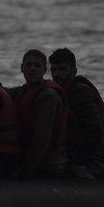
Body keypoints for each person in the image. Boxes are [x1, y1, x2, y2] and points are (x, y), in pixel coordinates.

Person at [49, 48, 104, 180]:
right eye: (53, 70)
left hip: (92, 158)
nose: (56, 74)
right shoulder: (59, 92)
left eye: (62, 69)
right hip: (75, 153)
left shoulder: (79, 92)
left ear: (74, 71)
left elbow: (94, 130)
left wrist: (78, 163)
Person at [7, 50, 67, 178]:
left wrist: (26, 169)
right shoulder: (23, 91)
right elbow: (2, 91)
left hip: (49, 164)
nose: (32, 69)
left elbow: (42, 138)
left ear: (44, 70)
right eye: (28, 65)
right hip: (31, 161)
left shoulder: (48, 96)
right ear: (22, 68)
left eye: (37, 65)